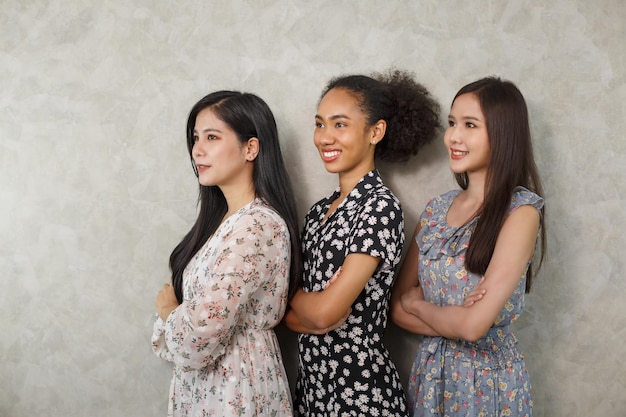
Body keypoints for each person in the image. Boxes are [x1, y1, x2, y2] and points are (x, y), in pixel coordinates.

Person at [283, 70, 441, 416]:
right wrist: (313, 311)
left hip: (361, 395)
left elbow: (323, 313)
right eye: (320, 124)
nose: (325, 137)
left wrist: (305, 303)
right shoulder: (317, 213)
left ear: (375, 132)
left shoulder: (379, 207)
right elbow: (289, 317)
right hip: (313, 393)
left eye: (340, 124)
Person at [390, 76, 547, 416]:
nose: (453, 137)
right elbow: (396, 308)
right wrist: (455, 318)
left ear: (502, 134)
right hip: (432, 376)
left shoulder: (520, 212)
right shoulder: (435, 210)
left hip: (489, 381)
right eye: (451, 123)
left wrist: (420, 306)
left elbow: (473, 327)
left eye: (469, 125)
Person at [151, 90, 302, 417]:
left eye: (212, 137)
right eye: (195, 138)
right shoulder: (222, 223)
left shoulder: (256, 226)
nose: (197, 150)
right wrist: (180, 317)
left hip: (236, 390)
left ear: (251, 148)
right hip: (209, 391)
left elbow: (196, 341)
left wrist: (168, 311)